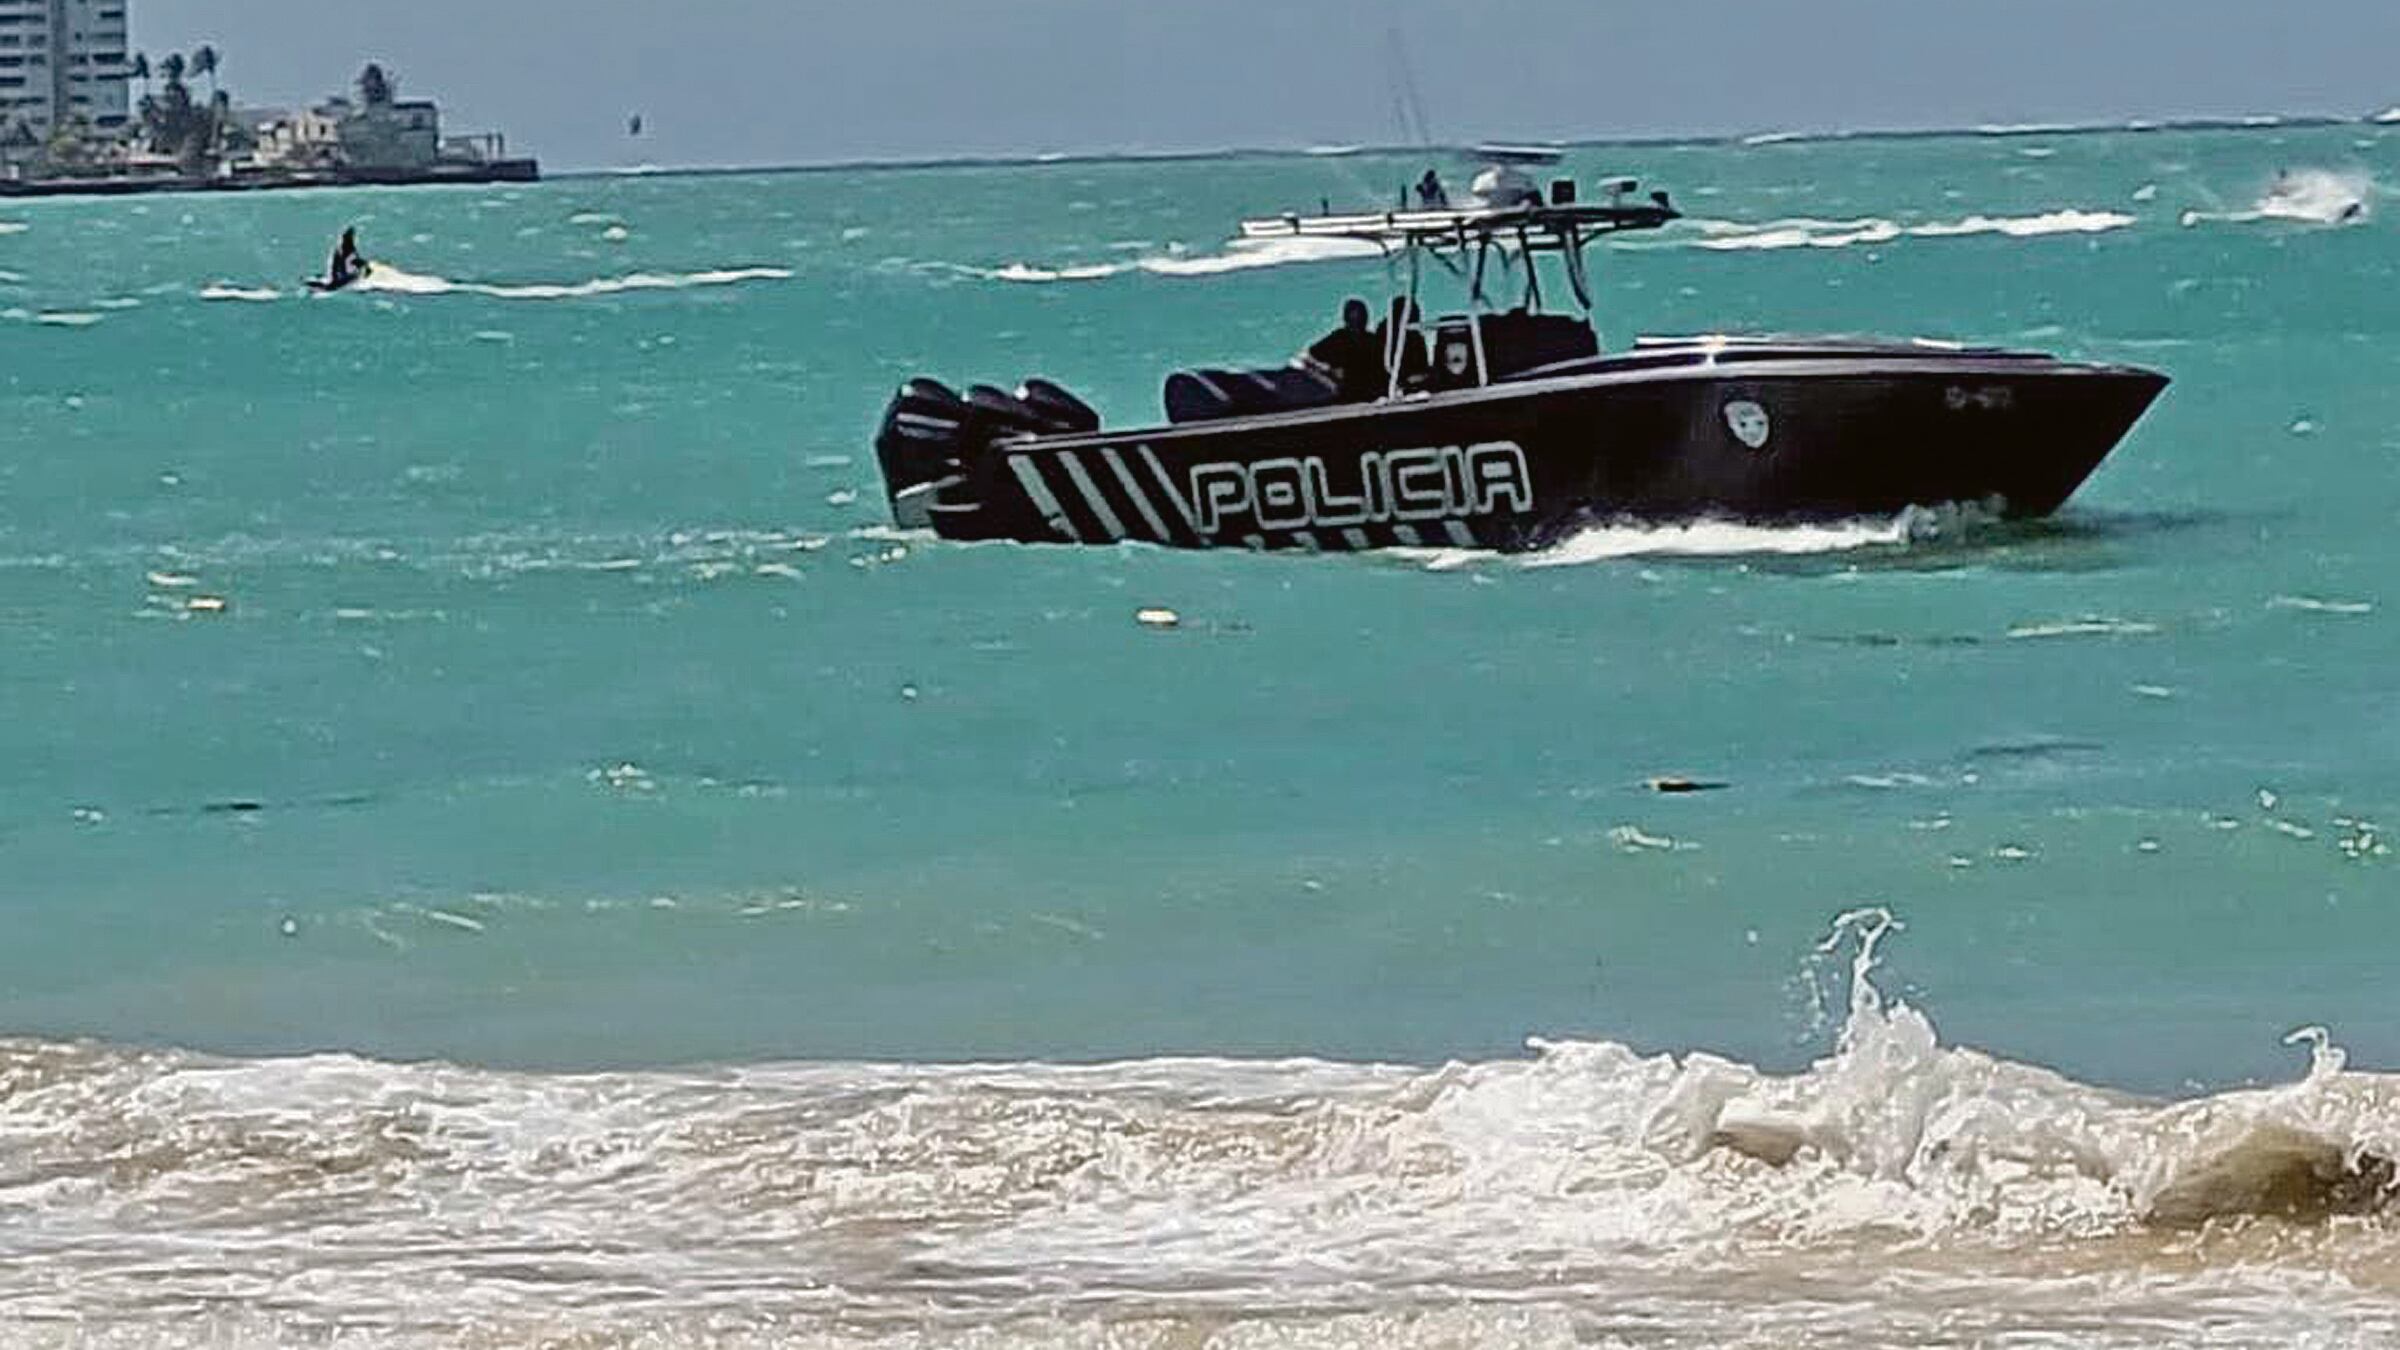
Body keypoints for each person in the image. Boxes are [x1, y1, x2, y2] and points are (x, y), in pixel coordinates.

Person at [1296, 297, 1386, 402]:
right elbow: (1308, 356)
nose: (1357, 322)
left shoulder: (1372, 341)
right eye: (1355, 318)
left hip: (1370, 392)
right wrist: (1328, 371)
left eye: (1360, 318)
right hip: (1349, 391)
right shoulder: (1339, 338)